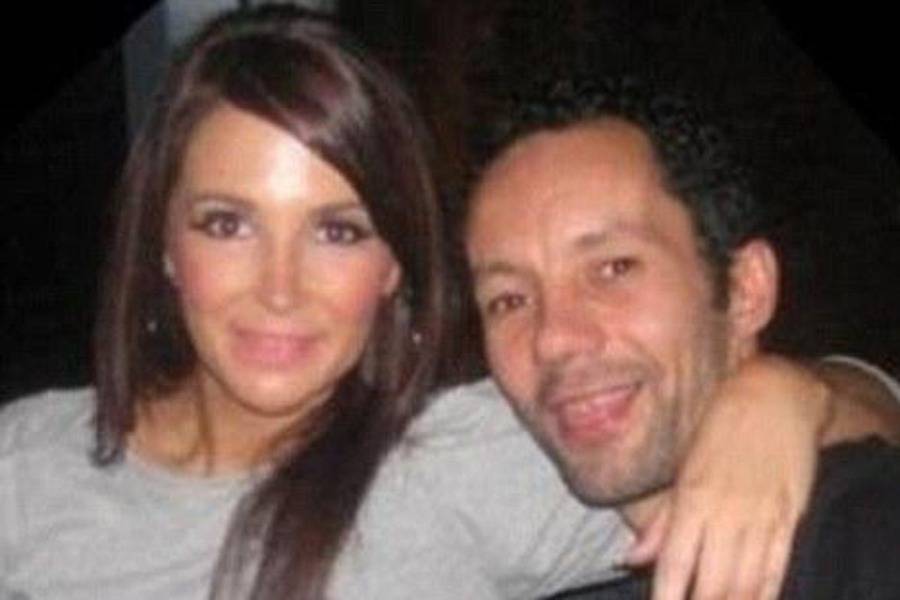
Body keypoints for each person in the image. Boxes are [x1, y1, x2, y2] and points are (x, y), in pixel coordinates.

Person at [0, 6, 897, 600]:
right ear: (163, 244)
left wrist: (788, 393)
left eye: (338, 231)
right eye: (227, 224)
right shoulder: (25, 469)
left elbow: (722, 417)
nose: (278, 289)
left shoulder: (462, 462)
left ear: (394, 266)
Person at [465, 76, 900, 599]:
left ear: (745, 290)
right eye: (508, 300)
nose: (553, 339)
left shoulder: (870, 539)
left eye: (613, 268)